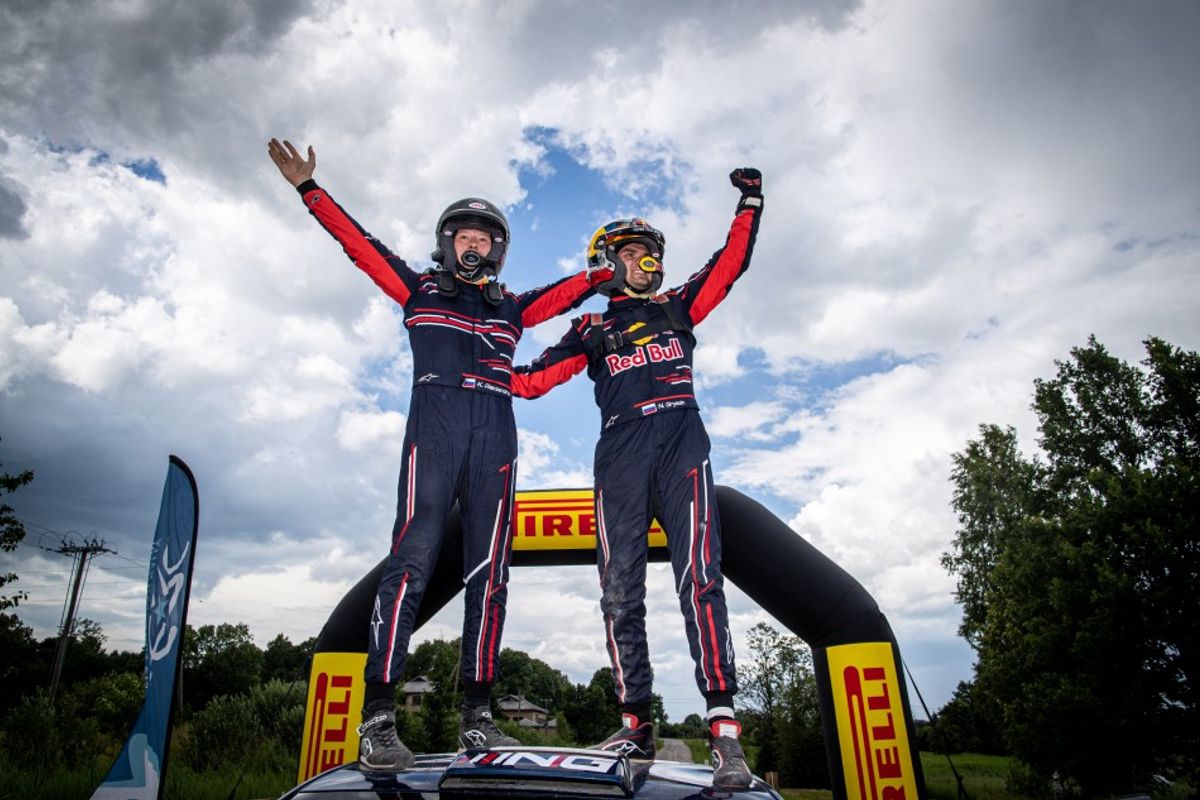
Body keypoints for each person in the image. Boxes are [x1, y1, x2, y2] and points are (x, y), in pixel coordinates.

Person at [268, 138, 594, 769]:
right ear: (447, 245)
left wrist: (605, 271)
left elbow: (569, 292)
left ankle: (478, 716)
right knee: (411, 563)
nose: (474, 247)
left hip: (496, 435)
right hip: (436, 431)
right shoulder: (420, 291)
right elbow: (360, 247)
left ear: (498, 251)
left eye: (485, 240)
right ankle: (380, 718)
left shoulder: (513, 309)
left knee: (489, 575)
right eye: (463, 238)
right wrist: (311, 190)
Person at [512, 168, 764, 789]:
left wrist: (749, 202)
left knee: (699, 579)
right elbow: (529, 381)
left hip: (682, 440)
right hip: (620, 450)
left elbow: (728, 265)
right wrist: (476, 361)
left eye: (649, 252)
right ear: (606, 262)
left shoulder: (679, 306)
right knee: (619, 592)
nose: (643, 261)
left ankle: (724, 729)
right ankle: (635, 721)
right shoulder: (592, 329)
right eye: (630, 252)